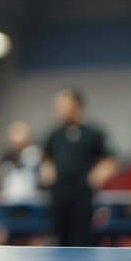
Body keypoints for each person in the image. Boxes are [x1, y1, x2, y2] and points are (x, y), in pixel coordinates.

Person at [40, 88, 119, 246]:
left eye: (62, 104)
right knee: (58, 242)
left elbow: (111, 161)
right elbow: (46, 159)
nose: (58, 108)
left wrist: (100, 173)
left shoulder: (93, 133)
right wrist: (46, 169)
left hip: (83, 199)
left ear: (76, 105)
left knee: (82, 241)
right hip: (59, 198)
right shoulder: (54, 134)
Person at [0, 121, 42, 205]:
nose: (17, 143)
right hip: (9, 203)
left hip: (31, 203)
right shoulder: (5, 158)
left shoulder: (34, 155)